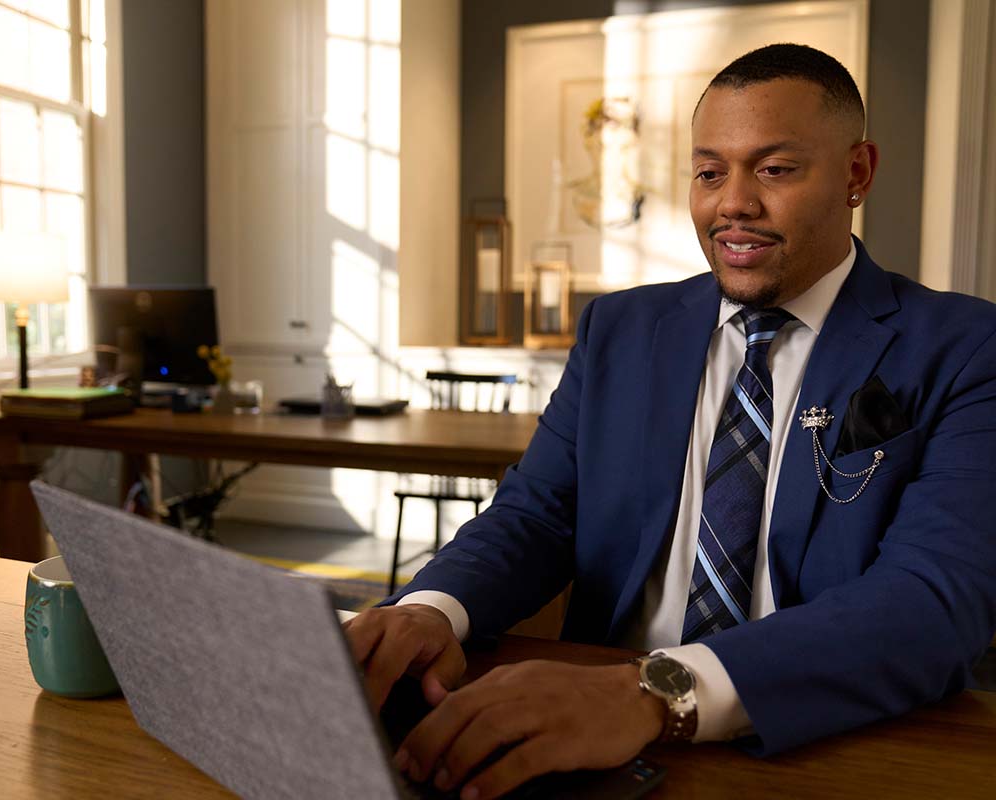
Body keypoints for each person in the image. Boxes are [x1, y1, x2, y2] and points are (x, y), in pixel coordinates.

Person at [345, 43, 996, 800]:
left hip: (817, 741)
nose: (733, 204)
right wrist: (432, 608)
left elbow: (932, 602)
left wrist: (656, 693)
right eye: (709, 171)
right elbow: (538, 514)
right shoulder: (620, 330)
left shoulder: (965, 348)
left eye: (776, 170)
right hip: (592, 751)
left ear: (857, 174)